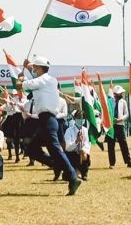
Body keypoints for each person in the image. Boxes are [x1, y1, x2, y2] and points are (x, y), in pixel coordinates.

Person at [15, 56, 81, 196]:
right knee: (33, 148)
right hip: (48, 121)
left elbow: (20, 86)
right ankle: (57, 165)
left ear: (39, 68)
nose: (33, 70)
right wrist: (28, 67)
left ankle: (72, 176)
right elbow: (36, 76)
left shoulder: (40, 81)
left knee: (54, 150)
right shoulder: (51, 80)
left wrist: (20, 79)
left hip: (47, 121)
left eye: (35, 68)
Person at [106, 85, 131, 169]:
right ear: (114, 94)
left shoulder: (123, 102)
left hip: (120, 125)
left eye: (121, 93)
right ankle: (112, 163)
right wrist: (111, 120)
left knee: (123, 144)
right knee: (111, 144)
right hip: (111, 126)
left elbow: (126, 114)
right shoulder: (109, 101)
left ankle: (128, 161)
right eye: (119, 93)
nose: (121, 94)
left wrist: (120, 119)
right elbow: (106, 112)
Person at [62, 110, 91, 181]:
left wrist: (84, 150)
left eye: (82, 118)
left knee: (84, 154)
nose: (80, 120)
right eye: (78, 118)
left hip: (81, 154)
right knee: (67, 177)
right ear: (75, 119)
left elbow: (87, 143)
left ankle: (84, 173)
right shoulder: (69, 131)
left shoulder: (85, 130)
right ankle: (73, 171)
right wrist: (76, 141)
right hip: (71, 154)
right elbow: (68, 147)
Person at [1, 91, 26, 162]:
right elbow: (7, 109)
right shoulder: (13, 98)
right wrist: (8, 102)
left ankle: (26, 154)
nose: (15, 94)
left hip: (23, 118)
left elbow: (24, 107)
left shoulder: (25, 98)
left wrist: (15, 104)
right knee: (13, 137)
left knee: (25, 138)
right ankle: (14, 156)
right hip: (14, 118)